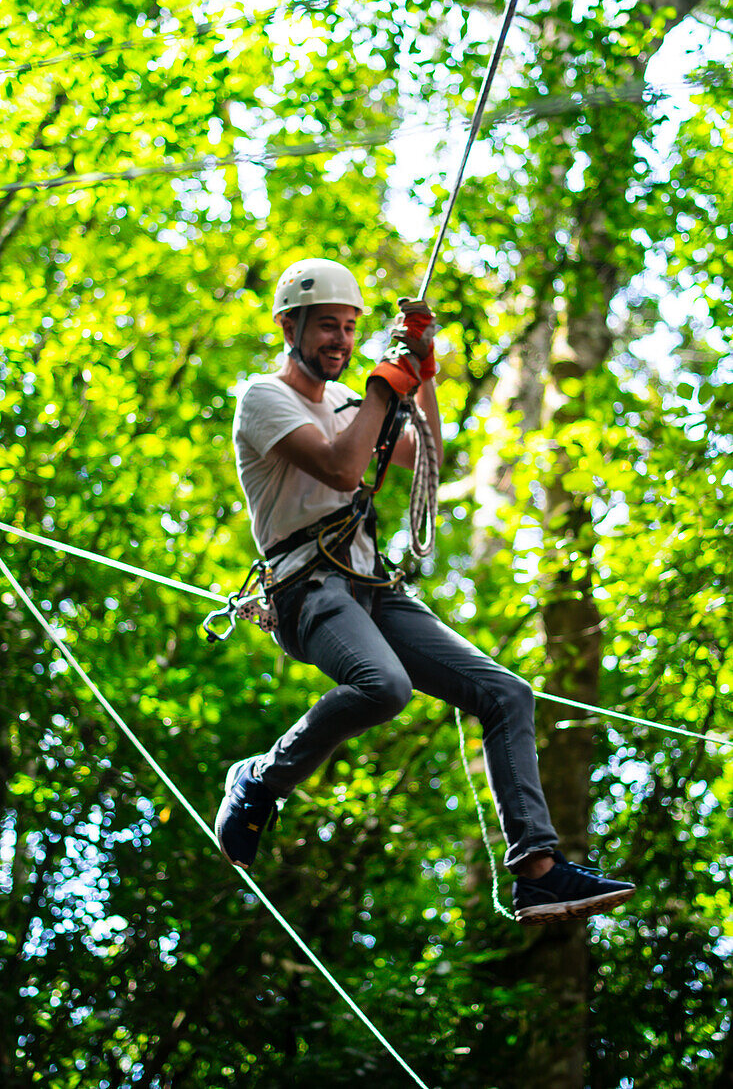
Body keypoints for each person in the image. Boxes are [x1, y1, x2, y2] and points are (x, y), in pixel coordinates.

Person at [215, 258, 635, 925]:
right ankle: (261, 781)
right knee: (384, 688)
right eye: (327, 326)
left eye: (351, 329)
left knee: (506, 693)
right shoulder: (263, 399)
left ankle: (537, 872)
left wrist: (422, 373)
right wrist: (383, 385)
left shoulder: (353, 403)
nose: (341, 343)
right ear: (287, 325)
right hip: (309, 589)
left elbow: (428, 456)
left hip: (371, 587)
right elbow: (343, 466)